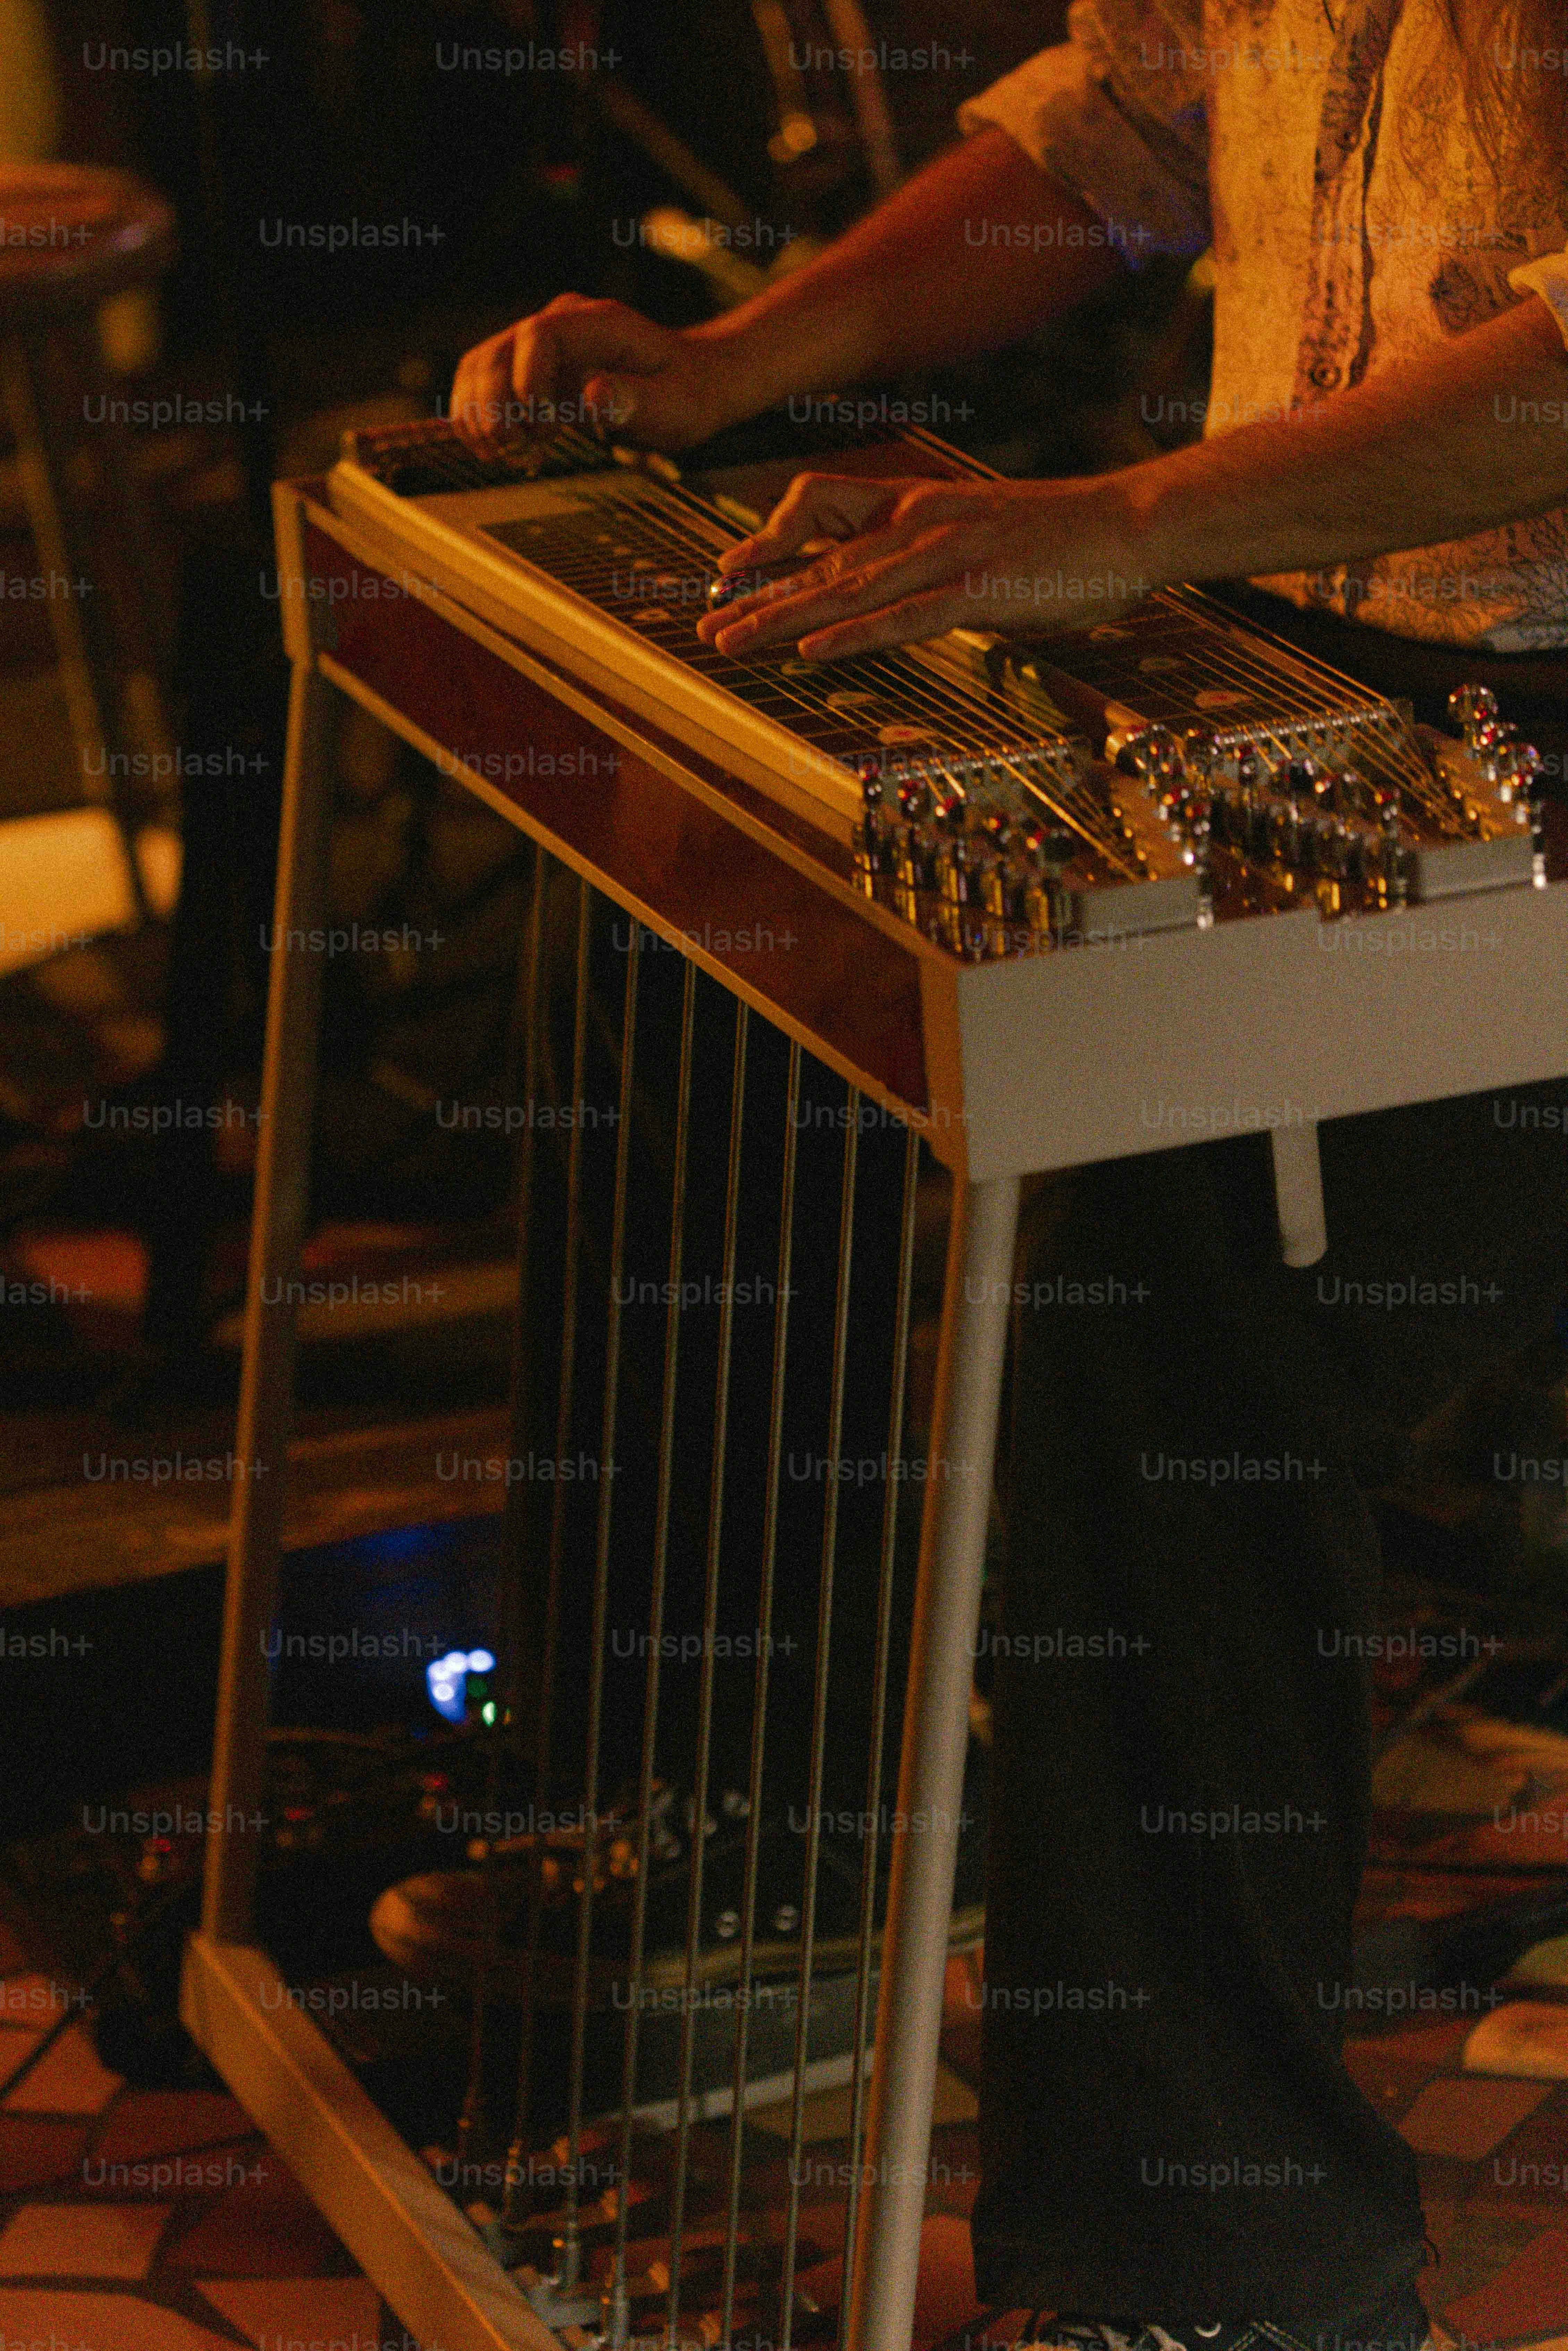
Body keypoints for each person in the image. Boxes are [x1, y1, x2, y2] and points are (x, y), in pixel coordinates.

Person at [449, 7, 1568, 2343]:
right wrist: (730, 363)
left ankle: (1228, 2253)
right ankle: (764, 1838)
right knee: (699, 909)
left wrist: (1097, 526)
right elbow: (1127, 121)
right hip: (1300, 588)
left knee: (1170, 1229)